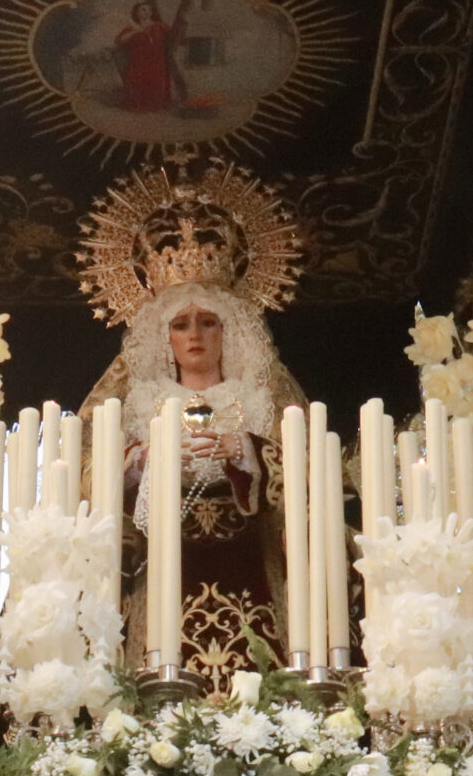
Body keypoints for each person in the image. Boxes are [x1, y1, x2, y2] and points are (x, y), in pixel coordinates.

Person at [83, 166, 308, 681]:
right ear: (163, 337)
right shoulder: (134, 403)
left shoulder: (266, 399)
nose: (195, 336)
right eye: (181, 325)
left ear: (231, 332)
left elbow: (312, 478)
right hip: (159, 573)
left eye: (208, 322)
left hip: (253, 570)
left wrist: (248, 452)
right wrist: (142, 460)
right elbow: (84, 476)